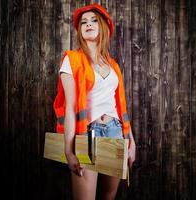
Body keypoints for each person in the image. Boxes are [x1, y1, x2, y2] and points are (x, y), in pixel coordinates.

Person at [53, 3, 136, 200]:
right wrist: (69, 150)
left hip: (116, 132)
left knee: (108, 196)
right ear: (80, 30)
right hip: (88, 134)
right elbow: (71, 109)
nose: (88, 24)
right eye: (84, 22)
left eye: (93, 21)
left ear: (103, 27)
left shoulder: (113, 65)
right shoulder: (71, 60)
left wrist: (131, 141)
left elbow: (120, 107)